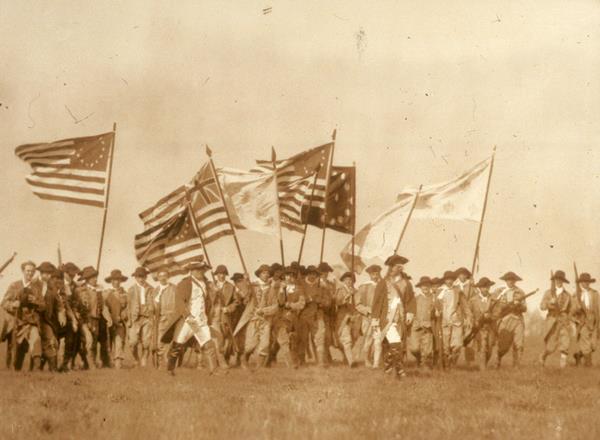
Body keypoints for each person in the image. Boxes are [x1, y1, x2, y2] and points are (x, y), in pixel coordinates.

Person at [163, 260, 218, 376]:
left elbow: (209, 301)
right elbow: (179, 302)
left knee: (208, 344)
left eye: (202, 269)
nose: (200, 272)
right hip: (188, 321)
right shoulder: (185, 283)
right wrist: (187, 315)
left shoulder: (207, 284)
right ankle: (170, 369)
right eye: (197, 269)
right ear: (191, 271)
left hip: (201, 320)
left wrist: (215, 291)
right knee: (178, 345)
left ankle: (214, 371)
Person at [234, 264, 279, 369]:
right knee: (250, 343)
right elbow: (243, 296)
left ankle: (260, 367)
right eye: (263, 273)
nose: (266, 275)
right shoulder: (252, 286)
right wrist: (245, 282)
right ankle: (243, 359)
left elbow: (275, 306)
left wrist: (264, 311)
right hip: (253, 318)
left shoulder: (272, 289)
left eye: (268, 273)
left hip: (266, 320)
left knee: (265, 343)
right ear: (259, 274)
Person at [1, 260, 39, 370]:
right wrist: (13, 304)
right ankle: (10, 371)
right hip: (15, 321)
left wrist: (36, 301)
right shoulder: (14, 285)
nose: (30, 273)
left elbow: (42, 305)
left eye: (32, 271)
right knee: (13, 347)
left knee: (24, 347)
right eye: (27, 271)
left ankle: (19, 371)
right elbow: (4, 302)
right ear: (23, 271)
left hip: (29, 322)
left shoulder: (36, 288)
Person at [371, 265, 406, 379]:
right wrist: (375, 319)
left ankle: (388, 370)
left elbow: (407, 300)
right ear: (390, 270)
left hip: (399, 319)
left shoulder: (403, 283)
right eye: (395, 269)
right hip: (387, 320)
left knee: (392, 346)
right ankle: (400, 371)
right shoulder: (383, 283)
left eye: (400, 269)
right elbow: (376, 302)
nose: (397, 271)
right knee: (396, 344)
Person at [297, 265, 331, 367]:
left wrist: (319, 301)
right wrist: (310, 299)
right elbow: (299, 300)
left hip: (317, 315)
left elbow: (328, 302)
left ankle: (320, 361)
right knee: (303, 338)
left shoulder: (321, 287)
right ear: (307, 274)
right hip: (304, 315)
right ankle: (302, 361)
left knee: (319, 337)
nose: (312, 275)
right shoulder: (301, 285)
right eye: (310, 273)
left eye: (315, 274)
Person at [383, 255, 415, 361]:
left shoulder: (406, 283)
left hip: (400, 317)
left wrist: (410, 313)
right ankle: (388, 365)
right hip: (386, 317)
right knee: (386, 342)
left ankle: (397, 366)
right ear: (391, 268)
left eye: (401, 267)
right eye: (397, 267)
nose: (399, 269)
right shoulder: (384, 282)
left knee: (399, 341)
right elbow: (378, 301)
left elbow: (410, 300)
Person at [272, 266, 305, 368]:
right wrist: (282, 290)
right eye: (287, 276)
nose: (289, 278)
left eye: (292, 276)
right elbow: (278, 302)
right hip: (280, 317)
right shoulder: (278, 288)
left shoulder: (299, 289)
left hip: (294, 318)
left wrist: (291, 305)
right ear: (284, 277)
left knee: (293, 340)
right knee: (283, 339)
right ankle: (290, 363)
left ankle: (295, 360)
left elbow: (301, 303)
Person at [437, 270, 471, 368]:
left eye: (451, 279)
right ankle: (447, 365)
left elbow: (465, 306)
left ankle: (452, 361)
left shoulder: (458, 291)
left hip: (456, 321)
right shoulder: (440, 291)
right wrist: (436, 310)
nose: (449, 281)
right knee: (445, 345)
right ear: (444, 281)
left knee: (457, 345)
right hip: (444, 321)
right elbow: (434, 304)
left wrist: (468, 317)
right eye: (447, 279)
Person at [539, 270, 573, 368]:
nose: (558, 281)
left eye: (560, 279)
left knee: (565, 343)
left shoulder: (567, 295)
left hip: (563, 321)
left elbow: (571, 309)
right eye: (557, 279)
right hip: (552, 321)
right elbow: (542, 306)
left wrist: (569, 319)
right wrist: (550, 303)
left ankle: (563, 367)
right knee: (551, 347)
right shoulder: (548, 293)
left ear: (563, 281)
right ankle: (543, 356)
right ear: (554, 280)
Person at [78, 266, 110, 368]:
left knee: (94, 342)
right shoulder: (81, 290)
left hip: (95, 320)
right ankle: (89, 364)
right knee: (88, 341)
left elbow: (103, 306)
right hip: (85, 320)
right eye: (92, 278)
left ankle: (90, 364)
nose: (95, 279)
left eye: (95, 277)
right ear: (87, 279)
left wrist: (108, 318)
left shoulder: (98, 291)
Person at [493, 271, 527, 368]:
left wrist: (518, 305)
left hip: (517, 319)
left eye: (513, 280)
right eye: (508, 280)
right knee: (503, 345)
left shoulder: (520, 292)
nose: (511, 282)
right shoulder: (499, 292)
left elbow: (525, 308)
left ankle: (516, 365)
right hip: (504, 320)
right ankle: (498, 360)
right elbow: (493, 306)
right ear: (505, 280)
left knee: (518, 344)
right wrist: (503, 307)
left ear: (515, 281)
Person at [38, 265, 67, 371]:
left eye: (50, 273)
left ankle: (52, 369)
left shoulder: (51, 288)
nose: (47, 275)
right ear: (40, 273)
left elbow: (59, 303)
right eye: (45, 273)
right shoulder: (34, 284)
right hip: (33, 320)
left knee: (52, 341)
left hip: (46, 320)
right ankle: (37, 368)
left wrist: (61, 314)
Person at [354, 265, 382, 368]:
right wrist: (367, 310)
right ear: (369, 275)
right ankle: (367, 360)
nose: (375, 276)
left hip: (380, 317)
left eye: (377, 273)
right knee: (368, 340)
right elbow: (357, 304)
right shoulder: (364, 287)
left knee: (378, 340)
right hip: (367, 318)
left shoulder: (383, 286)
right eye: (373, 274)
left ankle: (376, 362)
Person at [468, 277, 498, 370]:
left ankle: (484, 362)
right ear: (479, 288)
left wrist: (491, 317)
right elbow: (469, 313)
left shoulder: (493, 299)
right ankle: (482, 367)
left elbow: (497, 312)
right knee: (482, 345)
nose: (485, 289)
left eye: (487, 287)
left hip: (491, 326)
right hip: (478, 327)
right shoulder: (473, 300)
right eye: (483, 287)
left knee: (489, 346)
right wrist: (473, 322)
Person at [128, 267, 155, 367]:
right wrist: (129, 320)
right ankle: (136, 358)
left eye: (143, 277)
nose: (141, 279)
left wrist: (152, 315)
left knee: (146, 342)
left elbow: (155, 304)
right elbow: (128, 306)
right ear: (135, 277)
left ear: (146, 277)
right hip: (135, 319)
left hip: (147, 318)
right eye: (139, 277)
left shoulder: (151, 289)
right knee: (132, 342)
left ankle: (144, 359)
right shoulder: (131, 290)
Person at [104, 269, 129, 369]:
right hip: (108, 322)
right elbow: (103, 307)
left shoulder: (125, 294)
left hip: (120, 322)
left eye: (118, 280)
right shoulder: (106, 293)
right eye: (114, 280)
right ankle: (107, 361)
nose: (116, 282)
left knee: (119, 341)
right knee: (107, 343)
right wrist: (108, 317)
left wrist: (125, 313)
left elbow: (128, 307)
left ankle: (118, 362)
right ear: (111, 281)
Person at [572, 273, 599, 366]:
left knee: (594, 346)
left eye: (587, 281)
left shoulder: (595, 293)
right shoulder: (576, 295)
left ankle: (578, 355)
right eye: (583, 281)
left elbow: (598, 308)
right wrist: (578, 308)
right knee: (586, 343)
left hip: (594, 321)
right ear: (580, 283)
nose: (586, 283)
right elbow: (572, 311)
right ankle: (588, 365)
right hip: (582, 322)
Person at [409, 276, 435, 370]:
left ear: (430, 286)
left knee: (427, 350)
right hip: (416, 327)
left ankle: (425, 364)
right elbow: (411, 312)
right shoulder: (416, 298)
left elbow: (437, 313)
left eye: (427, 285)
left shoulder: (434, 298)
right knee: (414, 349)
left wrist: (432, 320)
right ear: (420, 287)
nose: (425, 287)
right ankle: (418, 358)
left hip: (428, 328)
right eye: (423, 286)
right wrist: (416, 322)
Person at [153, 269, 177, 369]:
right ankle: (160, 363)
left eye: (165, 276)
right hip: (159, 319)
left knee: (171, 341)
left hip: (171, 318)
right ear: (158, 278)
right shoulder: (155, 290)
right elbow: (152, 305)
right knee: (159, 341)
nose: (163, 278)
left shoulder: (174, 288)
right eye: (161, 276)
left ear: (168, 277)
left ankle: (169, 362)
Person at [334, 272, 357, 367]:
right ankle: (351, 361)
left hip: (353, 317)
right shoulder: (340, 290)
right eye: (347, 280)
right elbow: (338, 302)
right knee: (346, 339)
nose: (349, 282)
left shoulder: (355, 291)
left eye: (351, 280)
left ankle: (346, 358)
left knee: (353, 338)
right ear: (343, 280)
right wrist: (347, 296)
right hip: (343, 317)